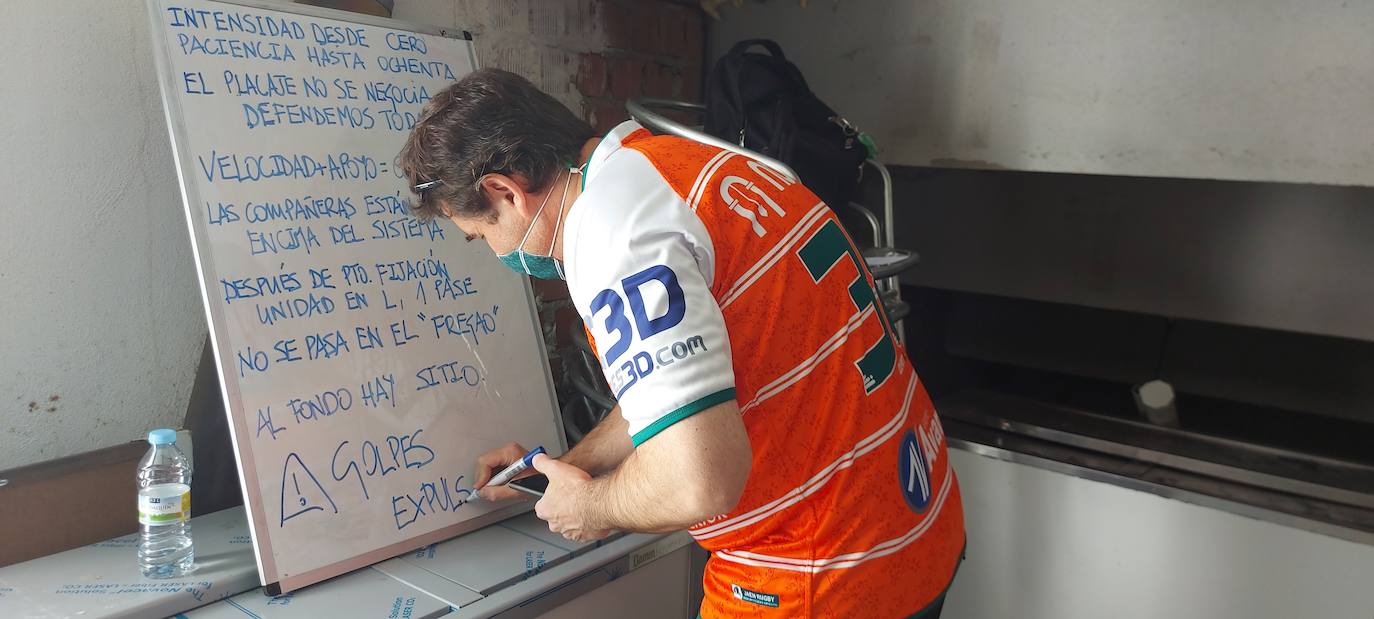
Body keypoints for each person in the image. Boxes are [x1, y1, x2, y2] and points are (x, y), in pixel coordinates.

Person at [399, 68, 965, 618]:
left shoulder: (615, 234)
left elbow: (699, 482)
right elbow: (688, 385)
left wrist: (591, 507)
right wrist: (570, 464)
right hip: (912, 516)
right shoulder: (691, 166)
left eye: (482, 236)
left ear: (503, 191)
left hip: (815, 572)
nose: (501, 256)